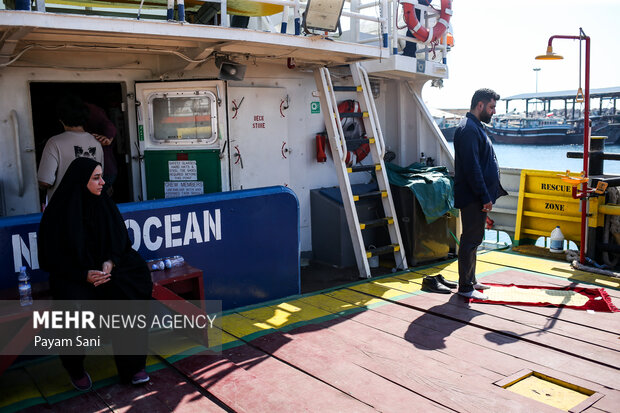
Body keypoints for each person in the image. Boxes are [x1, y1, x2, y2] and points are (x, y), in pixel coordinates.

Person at [37, 157, 152, 390]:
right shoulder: (58, 212)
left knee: (129, 289)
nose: (102, 183)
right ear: (81, 180)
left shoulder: (104, 204)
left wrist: (110, 262)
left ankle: (133, 366)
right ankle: (75, 367)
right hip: (73, 274)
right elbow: (50, 259)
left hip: (105, 270)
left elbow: (120, 241)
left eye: (102, 177)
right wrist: (83, 274)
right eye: (96, 178)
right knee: (72, 305)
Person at [453, 88, 507, 300]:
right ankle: (465, 287)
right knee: (470, 239)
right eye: (492, 107)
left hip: (477, 195)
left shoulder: (475, 127)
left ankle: (471, 279)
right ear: (480, 105)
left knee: (475, 238)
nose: (493, 111)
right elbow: (472, 167)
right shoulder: (468, 130)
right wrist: (484, 196)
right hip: (473, 196)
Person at [38, 95, 104, 203]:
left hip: (63, 206)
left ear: (61, 119)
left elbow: (45, 181)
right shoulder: (96, 142)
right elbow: (99, 177)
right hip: (90, 204)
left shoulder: (54, 143)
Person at [84, 102, 118, 197]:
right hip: (105, 171)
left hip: (104, 171)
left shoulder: (91, 110)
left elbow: (109, 128)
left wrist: (108, 138)